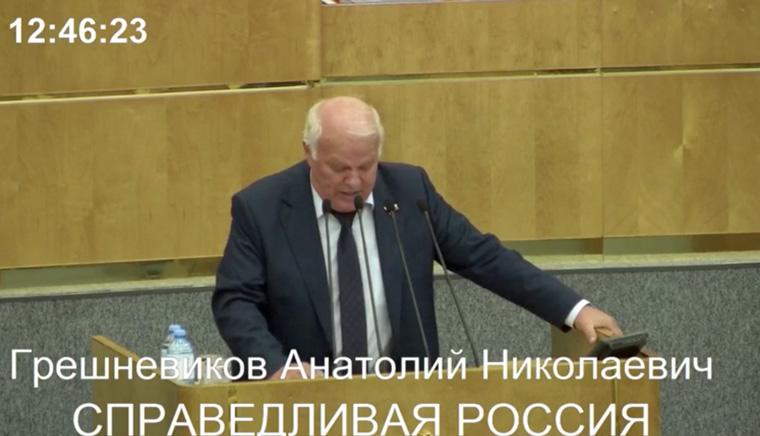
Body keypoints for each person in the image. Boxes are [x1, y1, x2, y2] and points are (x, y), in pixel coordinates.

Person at [211, 96, 622, 380]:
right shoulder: (261, 207)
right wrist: (276, 367)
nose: (354, 182)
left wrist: (575, 310)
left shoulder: (410, 194)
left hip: (406, 400)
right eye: (339, 168)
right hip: (303, 404)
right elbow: (236, 301)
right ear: (309, 152)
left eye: (366, 166)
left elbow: (485, 258)